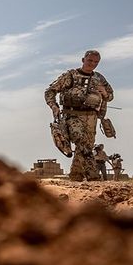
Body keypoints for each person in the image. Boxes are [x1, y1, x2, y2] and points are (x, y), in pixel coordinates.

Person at [44, 50, 114, 181]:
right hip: (72, 115)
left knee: (86, 146)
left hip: (92, 117)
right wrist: (54, 106)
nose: (92, 64)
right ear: (83, 60)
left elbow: (110, 96)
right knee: (83, 144)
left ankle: (76, 177)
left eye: (96, 62)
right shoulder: (71, 75)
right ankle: (93, 177)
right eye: (90, 61)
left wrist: (105, 93)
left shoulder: (99, 78)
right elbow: (50, 91)